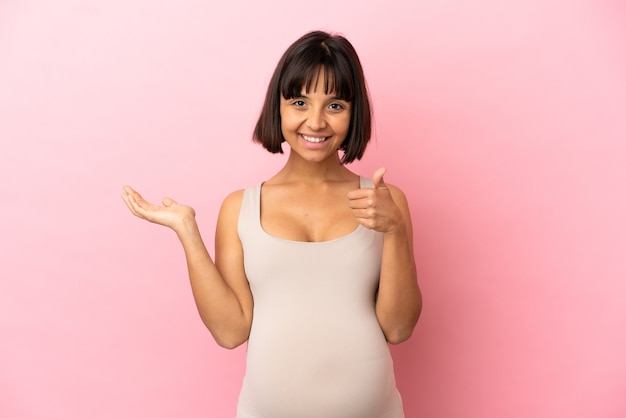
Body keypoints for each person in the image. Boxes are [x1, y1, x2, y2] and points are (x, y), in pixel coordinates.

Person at [121, 30, 422, 418]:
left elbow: (398, 329)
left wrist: (394, 230)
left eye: (335, 105)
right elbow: (231, 332)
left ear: (354, 112)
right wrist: (187, 231)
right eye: (300, 102)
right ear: (277, 107)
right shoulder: (240, 208)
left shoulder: (386, 202)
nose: (315, 122)